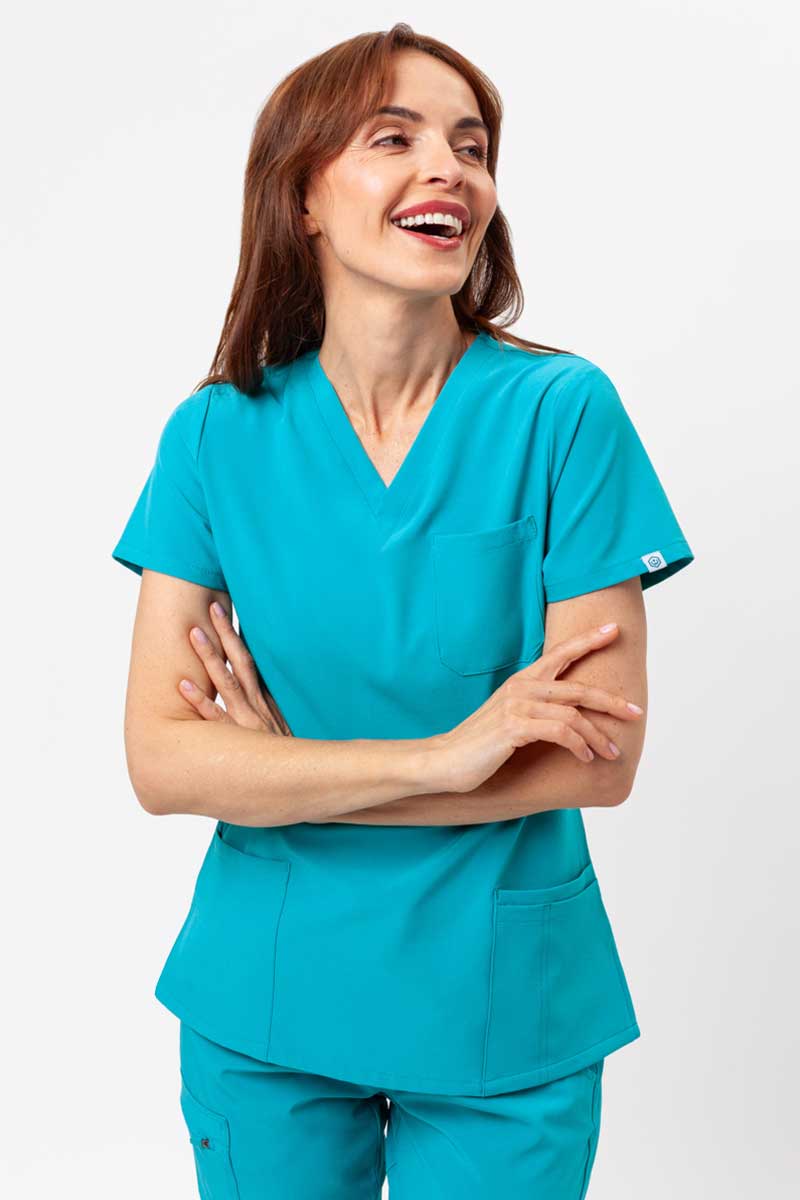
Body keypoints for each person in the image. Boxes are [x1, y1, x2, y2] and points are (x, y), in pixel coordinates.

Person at [111, 23, 695, 1200]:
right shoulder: (215, 435)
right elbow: (163, 765)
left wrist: (283, 776)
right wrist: (448, 755)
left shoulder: (560, 414)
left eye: (470, 147)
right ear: (302, 198)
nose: (450, 170)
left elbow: (595, 760)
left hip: (503, 1000)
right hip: (266, 994)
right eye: (394, 138)